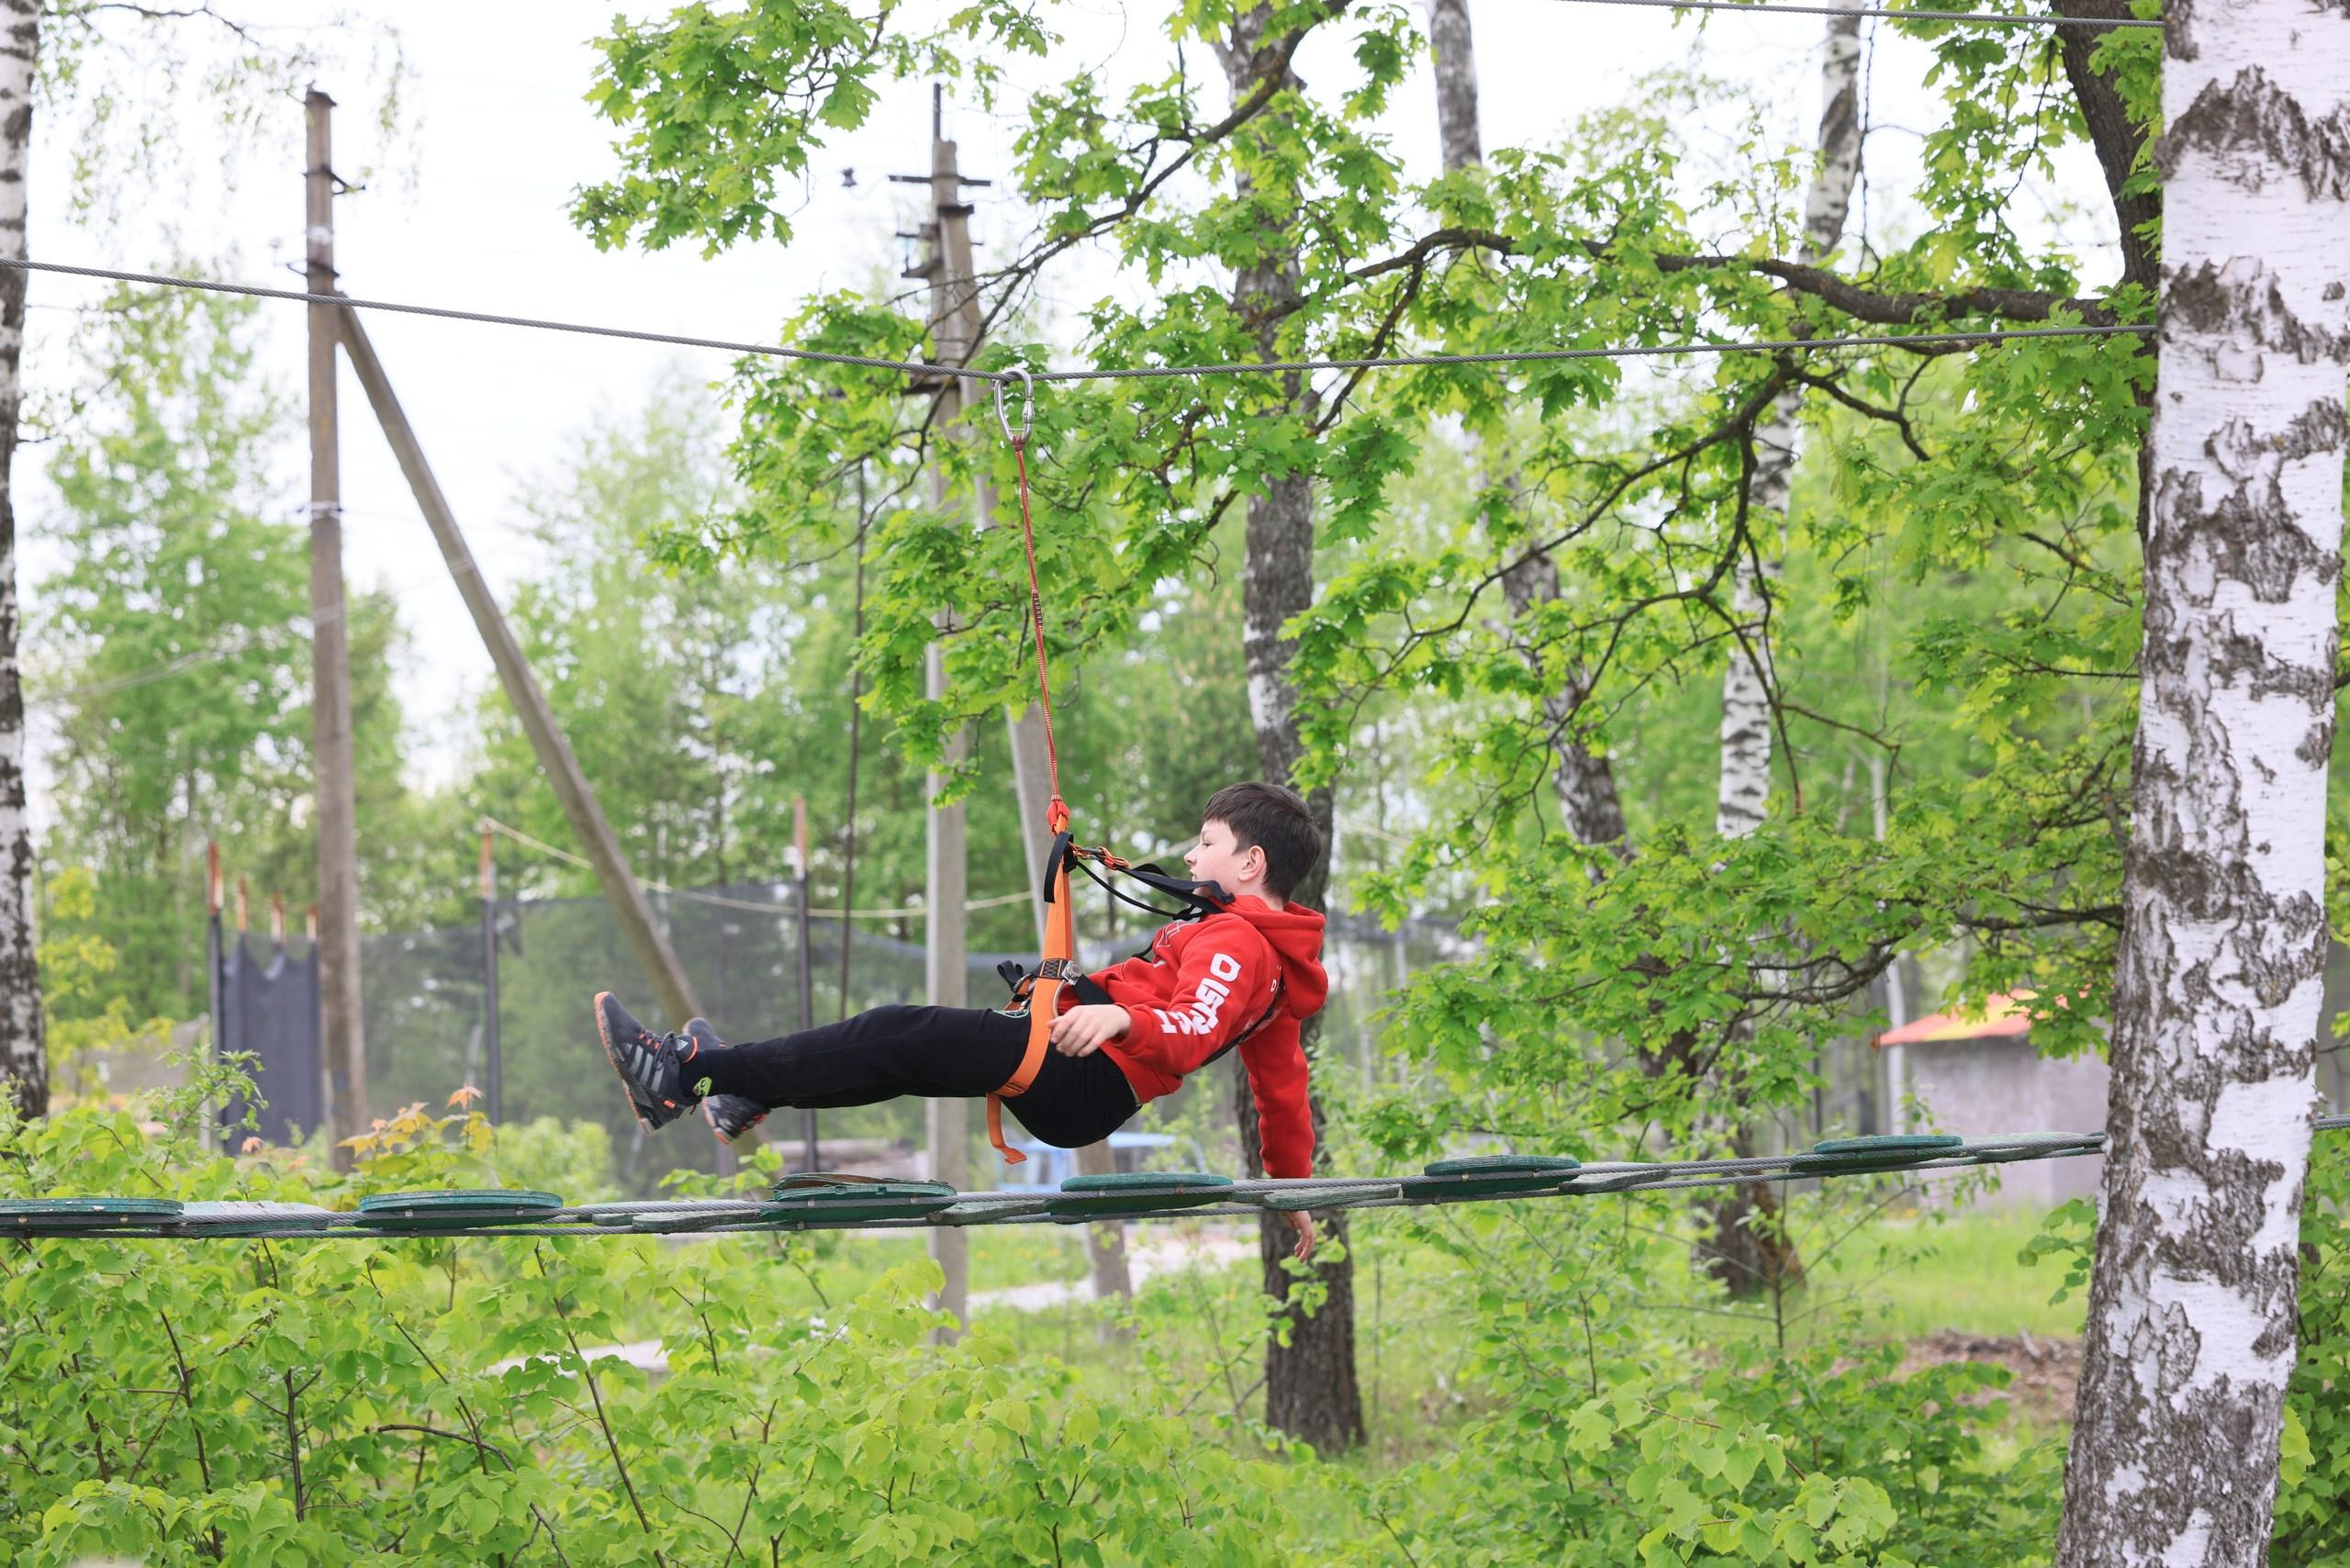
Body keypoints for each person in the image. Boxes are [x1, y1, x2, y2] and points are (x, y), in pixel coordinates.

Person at [594, 781, 1331, 1257]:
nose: (1189, 856)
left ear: (1250, 864)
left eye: (1206, 843)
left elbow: (1193, 1032)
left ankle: (685, 1075)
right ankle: (743, 1088)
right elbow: (1281, 1088)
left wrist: (1120, 1024)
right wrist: (1291, 1186)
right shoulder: (1271, 964)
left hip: (1085, 1076)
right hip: (1081, 1077)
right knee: (901, 1053)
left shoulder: (1237, 941)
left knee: (896, 1032)